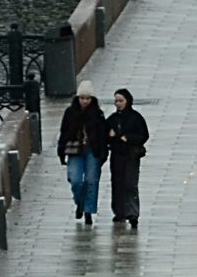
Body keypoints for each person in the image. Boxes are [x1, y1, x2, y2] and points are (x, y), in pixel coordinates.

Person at [57, 89, 109, 226]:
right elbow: (64, 132)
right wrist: (61, 151)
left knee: (91, 180)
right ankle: (80, 203)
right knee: (75, 180)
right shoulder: (70, 112)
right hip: (75, 151)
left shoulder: (97, 114)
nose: (85, 101)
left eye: (88, 98)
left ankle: (88, 211)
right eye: (82, 98)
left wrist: (103, 153)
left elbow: (103, 135)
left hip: (93, 151)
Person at [105, 89, 149, 230]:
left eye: (121, 101)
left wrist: (129, 138)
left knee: (130, 184)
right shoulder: (112, 119)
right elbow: (103, 135)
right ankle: (119, 212)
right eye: (116, 101)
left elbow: (143, 135)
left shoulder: (136, 118)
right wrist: (110, 135)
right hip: (117, 155)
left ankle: (132, 213)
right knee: (117, 183)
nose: (118, 104)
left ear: (127, 101)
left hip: (130, 156)